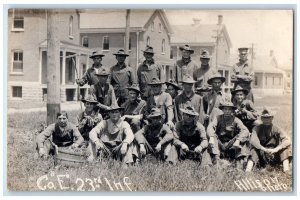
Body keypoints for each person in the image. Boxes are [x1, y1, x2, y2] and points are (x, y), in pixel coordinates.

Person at [245, 108, 292, 173]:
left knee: (285, 149)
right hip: (262, 154)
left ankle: (286, 170)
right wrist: (264, 149)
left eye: (268, 117)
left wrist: (276, 149)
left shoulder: (276, 128)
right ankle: (247, 171)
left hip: (274, 154)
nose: (266, 120)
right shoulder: (256, 128)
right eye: (264, 118)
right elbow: (253, 141)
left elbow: (287, 140)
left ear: (272, 118)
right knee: (254, 150)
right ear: (261, 118)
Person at [207, 101, 250, 167]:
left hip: (231, 144)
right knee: (213, 136)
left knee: (244, 137)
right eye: (225, 109)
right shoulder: (218, 118)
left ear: (232, 111)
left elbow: (245, 130)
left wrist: (238, 140)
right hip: (220, 143)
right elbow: (210, 127)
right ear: (222, 110)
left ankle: (239, 160)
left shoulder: (236, 120)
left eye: (229, 109)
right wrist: (211, 137)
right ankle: (216, 160)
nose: (227, 111)